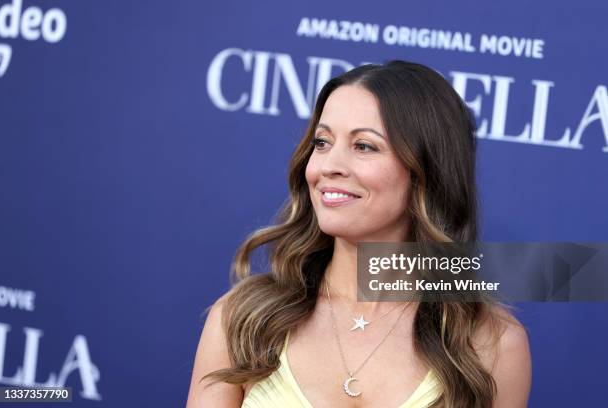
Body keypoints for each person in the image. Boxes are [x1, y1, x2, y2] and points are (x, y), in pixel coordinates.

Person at [186, 60, 532, 407]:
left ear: (425, 170)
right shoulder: (243, 318)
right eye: (322, 142)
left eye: (364, 146)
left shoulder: (493, 345)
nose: (328, 166)